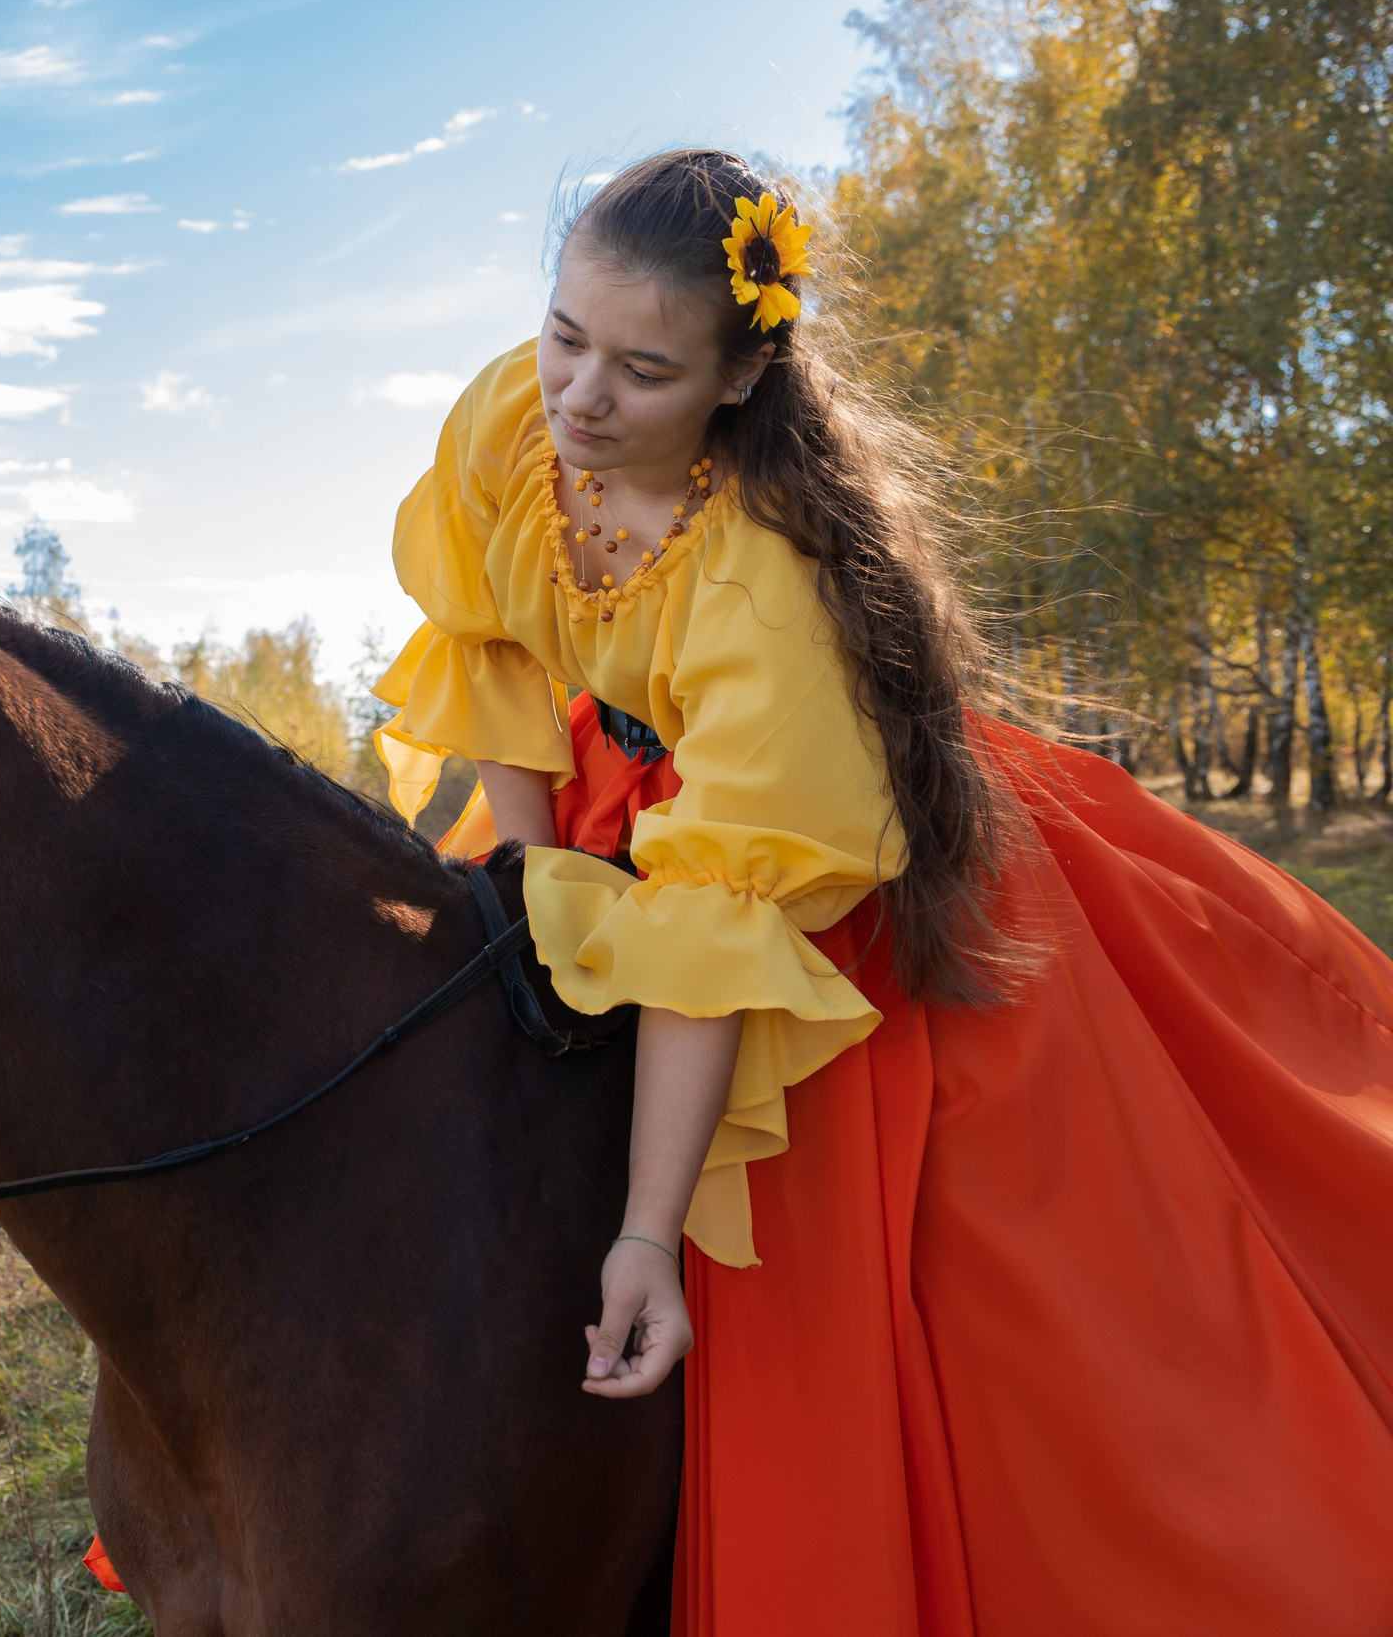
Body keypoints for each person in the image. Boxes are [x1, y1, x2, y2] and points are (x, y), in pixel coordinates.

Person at [372, 148, 1393, 1636]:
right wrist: (531, 881)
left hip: (802, 862)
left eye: (644, 371)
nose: (581, 397)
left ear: (738, 379)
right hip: (612, 806)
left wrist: (649, 1232)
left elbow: (722, 931)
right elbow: (495, 647)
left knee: (920, 1272)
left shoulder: (763, 583)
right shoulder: (512, 424)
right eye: (565, 334)